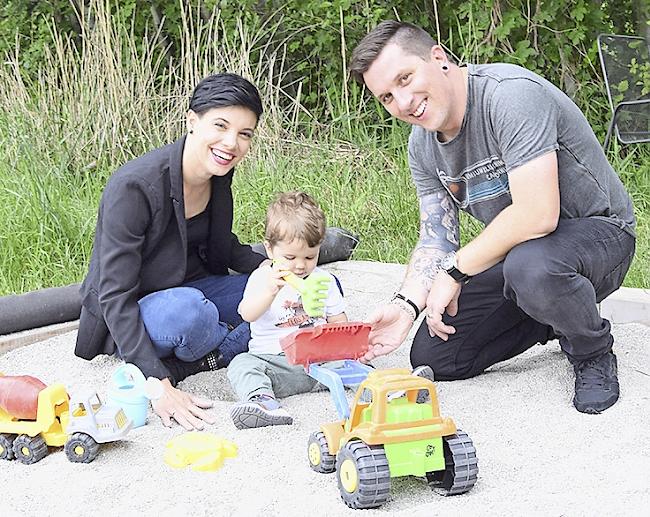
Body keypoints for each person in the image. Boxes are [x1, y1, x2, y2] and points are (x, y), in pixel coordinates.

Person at [349, 21, 636, 414]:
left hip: (602, 237)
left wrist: (455, 272)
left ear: (438, 58)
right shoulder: (422, 147)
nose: (402, 102)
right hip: (523, 256)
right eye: (386, 97)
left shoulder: (509, 95)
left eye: (405, 78)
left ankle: (591, 349)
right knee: (437, 356)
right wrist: (405, 307)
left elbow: (538, 214)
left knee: (532, 268)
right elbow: (437, 238)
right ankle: (555, 310)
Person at [75, 73, 270, 430]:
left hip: (195, 286)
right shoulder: (135, 187)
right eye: (221, 126)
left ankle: (211, 351)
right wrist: (157, 385)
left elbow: (222, 246)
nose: (232, 143)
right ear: (192, 121)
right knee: (190, 312)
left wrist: (275, 271)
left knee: (279, 291)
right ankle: (221, 344)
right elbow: (113, 293)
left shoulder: (218, 173)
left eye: (245, 134)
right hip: (141, 310)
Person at [227, 191, 348, 429]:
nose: (301, 265)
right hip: (275, 363)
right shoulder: (262, 277)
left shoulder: (324, 281)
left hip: (318, 362)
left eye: (310, 257)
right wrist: (270, 291)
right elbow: (247, 314)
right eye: (290, 257)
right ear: (270, 250)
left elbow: (339, 321)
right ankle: (262, 401)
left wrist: (349, 344)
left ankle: (383, 392)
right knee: (241, 364)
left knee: (353, 363)